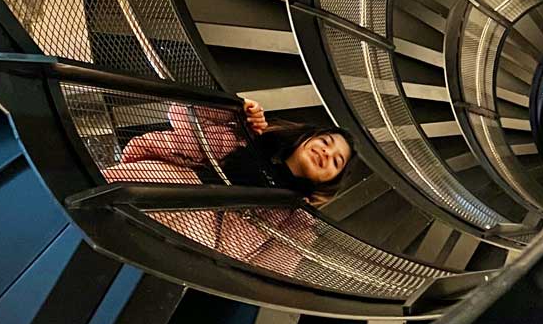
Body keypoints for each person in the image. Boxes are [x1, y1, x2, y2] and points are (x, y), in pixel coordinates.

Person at [102, 99, 355, 275]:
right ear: (307, 137)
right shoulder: (248, 140)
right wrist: (236, 112)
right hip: (178, 183)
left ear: (328, 180)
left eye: (336, 161)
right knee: (125, 193)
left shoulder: (297, 217)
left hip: (205, 233)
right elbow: (182, 113)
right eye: (326, 141)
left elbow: (274, 265)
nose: (326, 151)